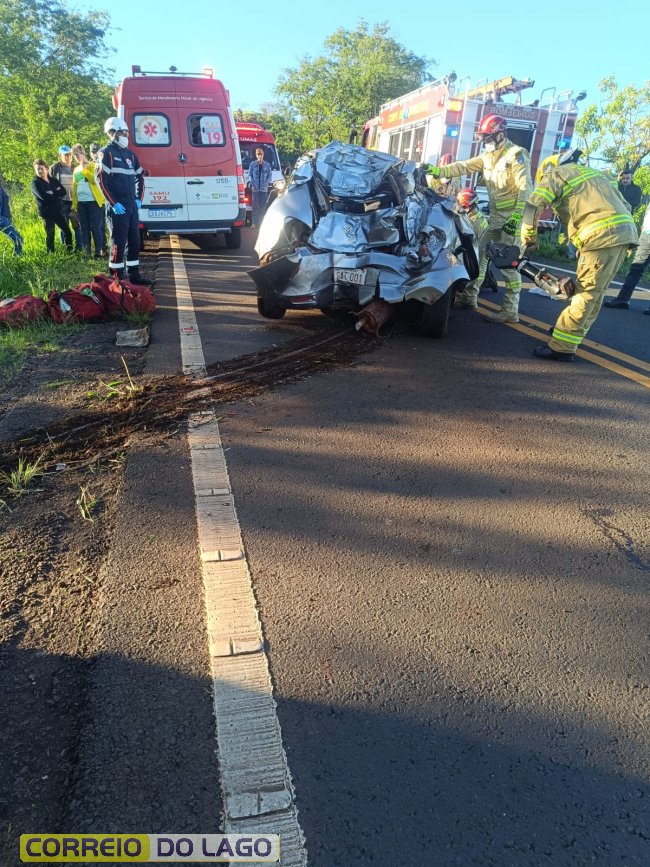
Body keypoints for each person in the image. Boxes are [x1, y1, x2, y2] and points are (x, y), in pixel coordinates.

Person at [520, 149, 638, 361]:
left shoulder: (556, 174)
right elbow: (627, 205)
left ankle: (562, 347)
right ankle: (570, 335)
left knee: (585, 293)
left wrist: (529, 237)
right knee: (596, 293)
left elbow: (533, 204)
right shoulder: (597, 175)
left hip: (601, 236)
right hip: (624, 234)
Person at [424, 114, 532, 322]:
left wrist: (517, 217)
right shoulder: (488, 157)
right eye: (483, 138)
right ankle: (469, 297)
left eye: (488, 138)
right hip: (497, 219)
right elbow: (463, 166)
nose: (485, 142)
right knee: (480, 256)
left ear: (500, 135)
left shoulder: (516, 155)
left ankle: (510, 310)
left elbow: (525, 189)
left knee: (508, 264)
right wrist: (438, 170)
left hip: (511, 220)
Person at [97, 117, 150, 285]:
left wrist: (138, 199)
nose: (126, 136)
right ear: (112, 133)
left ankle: (134, 275)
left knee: (134, 241)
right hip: (117, 207)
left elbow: (140, 176)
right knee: (118, 242)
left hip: (131, 205)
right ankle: (117, 277)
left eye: (126, 132)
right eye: (122, 133)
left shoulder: (130, 154)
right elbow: (101, 181)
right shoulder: (106, 153)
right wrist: (113, 203)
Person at [604, 201, 650, 313]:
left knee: (637, 267)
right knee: (636, 266)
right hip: (647, 232)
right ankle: (623, 299)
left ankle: (623, 299)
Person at [455, 187, 498, 293]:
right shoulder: (474, 213)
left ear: (467, 205)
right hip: (482, 245)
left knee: (478, 272)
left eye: (462, 206)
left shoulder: (473, 220)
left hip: (483, 249)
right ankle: (487, 281)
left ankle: (472, 294)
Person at [71, 144, 106, 258]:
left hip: (94, 201)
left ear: (83, 154)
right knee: (84, 228)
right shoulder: (75, 170)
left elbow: (95, 180)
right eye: (74, 155)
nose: (76, 157)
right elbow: (75, 187)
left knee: (95, 227)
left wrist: (85, 170)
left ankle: (98, 252)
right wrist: (74, 204)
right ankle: (87, 253)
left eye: (77, 154)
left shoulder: (93, 165)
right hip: (81, 202)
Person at [30, 159, 73, 252]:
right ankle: (51, 254)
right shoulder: (35, 182)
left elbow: (63, 192)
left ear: (46, 169)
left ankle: (69, 251)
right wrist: (56, 192)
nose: (40, 171)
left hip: (58, 211)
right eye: (37, 169)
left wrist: (52, 192)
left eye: (41, 168)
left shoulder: (53, 180)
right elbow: (44, 197)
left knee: (67, 232)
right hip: (47, 213)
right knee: (50, 235)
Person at [49, 145, 82, 249]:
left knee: (77, 226)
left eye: (69, 154)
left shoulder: (75, 167)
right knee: (64, 227)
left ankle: (79, 248)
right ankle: (66, 249)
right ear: (60, 156)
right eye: (65, 155)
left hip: (74, 201)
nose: (68, 157)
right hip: (61, 202)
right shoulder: (55, 168)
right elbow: (50, 183)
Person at [248, 147, 272, 228]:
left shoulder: (267, 165)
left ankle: (262, 223)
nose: (260, 156)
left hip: (264, 189)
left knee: (263, 207)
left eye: (261, 154)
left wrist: (266, 183)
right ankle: (254, 223)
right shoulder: (252, 164)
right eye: (258, 154)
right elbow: (250, 175)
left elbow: (270, 176)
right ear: (256, 155)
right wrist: (252, 183)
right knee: (255, 207)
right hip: (255, 189)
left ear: (263, 155)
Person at [0, 181, 23, 255]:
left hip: (3, 218)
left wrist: (7, 216)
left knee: (18, 239)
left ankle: (17, 258)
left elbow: (5, 198)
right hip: (2, 218)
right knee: (18, 239)